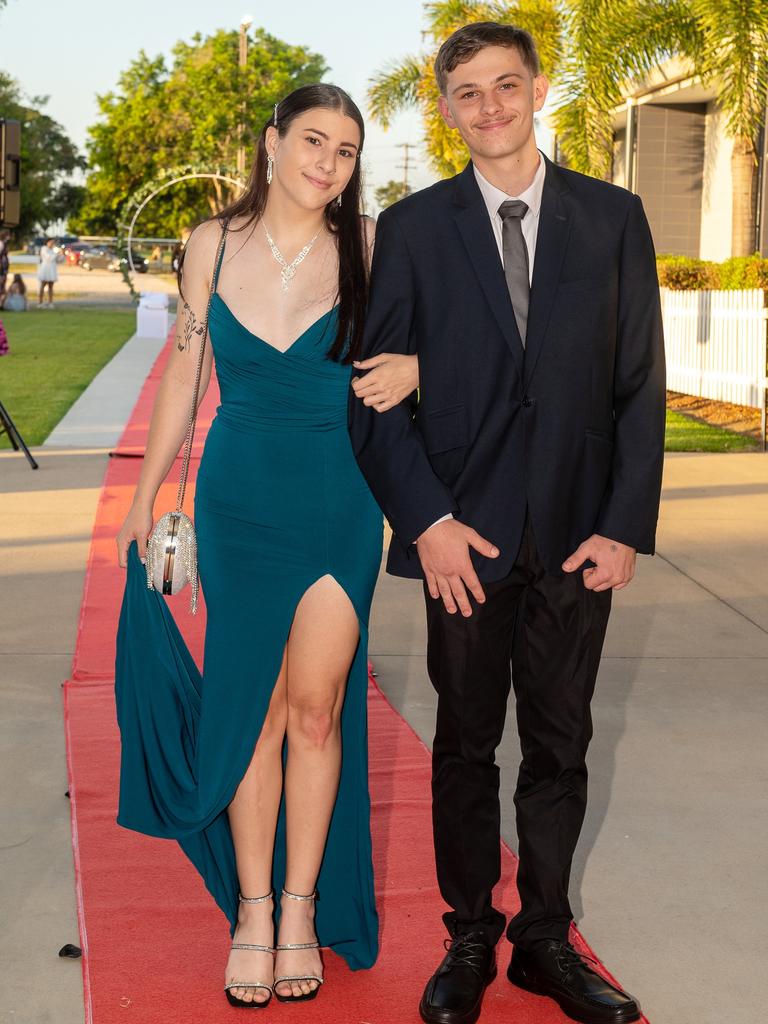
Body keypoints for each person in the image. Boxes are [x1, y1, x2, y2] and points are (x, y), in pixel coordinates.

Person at [350, 21, 665, 1024]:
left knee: (561, 746)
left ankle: (543, 938)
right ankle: (471, 935)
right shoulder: (413, 228)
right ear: (445, 109)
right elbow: (376, 397)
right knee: (466, 745)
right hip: (466, 545)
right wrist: (427, 521)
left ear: (538, 91)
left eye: (506, 86)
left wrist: (622, 525)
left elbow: (639, 388)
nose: (490, 107)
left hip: (578, 535)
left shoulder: (613, 218)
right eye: (467, 93)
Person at [113, 84, 418, 1009]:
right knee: (252, 711)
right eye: (315, 141)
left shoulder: (369, 249)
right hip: (237, 498)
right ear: (272, 142)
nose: (329, 162)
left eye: (348, 150)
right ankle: (251, 910)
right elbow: (184, 373)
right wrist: (147, 494)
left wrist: (421, 366)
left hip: (339, 501)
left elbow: (457, 349)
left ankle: (299, 909)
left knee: (318, 710)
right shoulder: (212, 242)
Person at [37, 239, 58, 307]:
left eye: (53, 242)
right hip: (45, 269)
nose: (52, 244)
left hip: (52, 269)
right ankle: (40, 302)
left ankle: (50, 302)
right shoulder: (44, 249)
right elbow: (49, 258)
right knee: (42, 285)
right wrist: (56, 254)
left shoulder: (53, 250)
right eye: (51, 242)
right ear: (47, 242)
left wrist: (61, 254)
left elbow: (58, 260)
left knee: (51, 287)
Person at [0, 229, 10, 307]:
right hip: (1, 267)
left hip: (4, 267)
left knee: (3, 285)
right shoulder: (1, 243)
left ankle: (1, 304)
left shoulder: (5, 243)